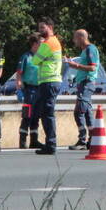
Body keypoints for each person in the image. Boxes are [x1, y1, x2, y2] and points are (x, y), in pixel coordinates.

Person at [32, 18, 64, 155]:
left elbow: (35, 61)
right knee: (46, 113)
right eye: (39, 27)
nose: (40, 30)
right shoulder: (54, 42)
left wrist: (40, 56)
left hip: (49, 81)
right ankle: (50, 143)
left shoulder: (48, 43)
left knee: (47, 114)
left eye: (43, 27)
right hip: (51, 81)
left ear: (50, 27)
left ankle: (50, 144)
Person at [66, 28, 100, 150]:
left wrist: (75, 65)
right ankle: (92, 138)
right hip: (82, 82)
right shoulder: (84, 51)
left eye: (75, 38)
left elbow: (92, 68)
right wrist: (75, 79)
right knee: (86, 111)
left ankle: (82, 139)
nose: (74, 41)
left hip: (87, 83)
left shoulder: (90, 49)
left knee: (79, 111)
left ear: (81, 38)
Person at [15, 32, 42, 149]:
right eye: (41, 43)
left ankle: (34, 140)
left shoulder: (42, 57)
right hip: (29, 89)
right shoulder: (26, 57)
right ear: (35, 44)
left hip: (40, 88)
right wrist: (19, 86)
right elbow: (19, 73)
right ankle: (22, 140)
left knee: (36, 115)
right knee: (27, 115)